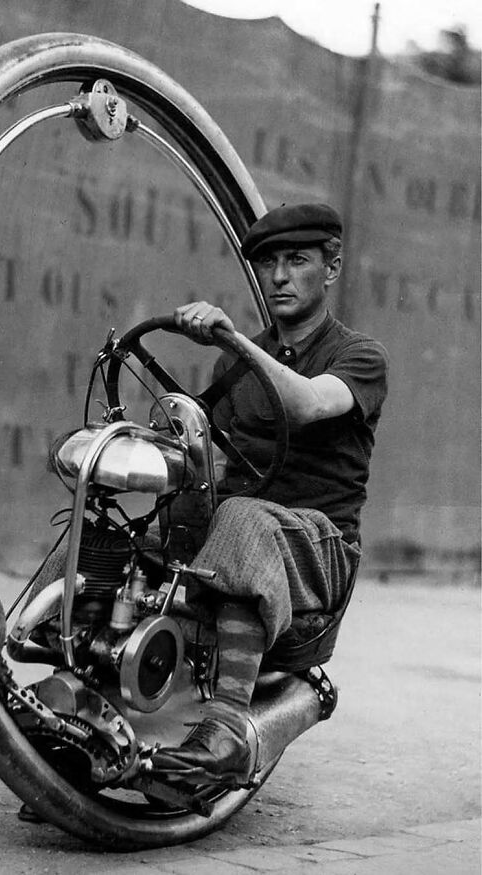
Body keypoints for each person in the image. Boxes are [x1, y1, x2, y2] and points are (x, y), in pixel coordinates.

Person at [151, 202, 389, 786]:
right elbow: (203, 460)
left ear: (332, 269)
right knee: (125, 527)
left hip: (319, 551)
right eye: (267, 263)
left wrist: (235, 342)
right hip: (248, 535)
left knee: (241, 516)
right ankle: (68, 697)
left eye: (297, 261)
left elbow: (307, 402)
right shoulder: (233, 369)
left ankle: (228, 728)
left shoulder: (359, 356)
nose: (279, 276)